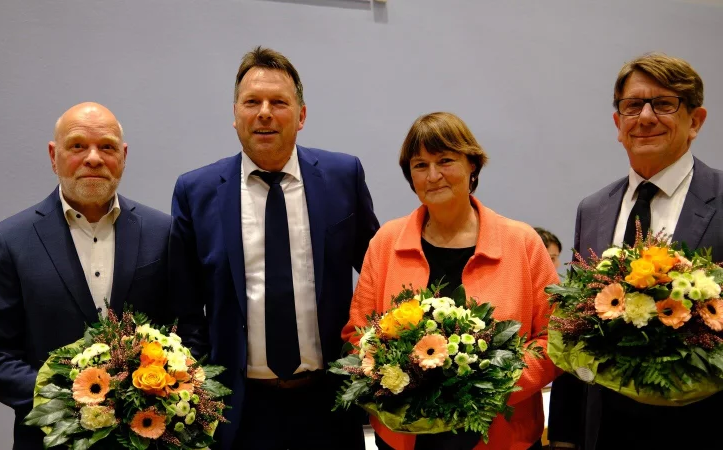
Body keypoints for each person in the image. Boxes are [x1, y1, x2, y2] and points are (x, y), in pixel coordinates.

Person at [170, 46, 379, 450]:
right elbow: (185, 310)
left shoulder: (343, 176)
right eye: (252, 102)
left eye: (278, 102)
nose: (264, 113)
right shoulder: (196, 192)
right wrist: (202, 390)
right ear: (235, 115)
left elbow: (378, 274)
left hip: (329, 403)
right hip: (238, 411)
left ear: (301, 116)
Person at [342, 112, 558, 450]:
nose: (433, 176)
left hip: (500, 436)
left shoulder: (522, 243)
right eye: (420, 165)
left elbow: (553, 338)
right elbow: (358, 334)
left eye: (445, 160)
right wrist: (389, 378)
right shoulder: (386, 243)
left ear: (472, 164)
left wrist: (491, 384)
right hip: (405, 437)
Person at [0, 102, 179, 449]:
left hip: (147, 438)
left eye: (107, 147)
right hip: (50, 440)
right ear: (54, 156)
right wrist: (72, 399)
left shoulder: (164, 233)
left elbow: (187, 330)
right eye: (78, 146)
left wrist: (158, 393)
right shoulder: (11, 241)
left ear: (124, 156)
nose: (93, 158)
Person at [548, 53, 723, 450]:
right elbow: (574, 326)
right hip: (603, 431)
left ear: (695, 121)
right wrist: (564, 435)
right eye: (632, 106)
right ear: (618, 124)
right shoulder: (593, 209)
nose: (645, 117)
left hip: (703, 429)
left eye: (663, 104)